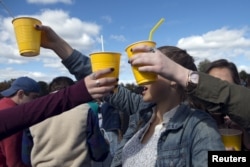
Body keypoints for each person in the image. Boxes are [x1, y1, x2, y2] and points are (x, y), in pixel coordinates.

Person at [0, 68, 117, 140]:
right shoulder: (86, 112)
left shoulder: (5, 107)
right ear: (20, 94)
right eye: (34, 97)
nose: (34, 101)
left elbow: (25, 155)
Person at [24, 76, 109, 167]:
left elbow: (25, 157)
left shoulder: (33, 112)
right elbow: (99, 153)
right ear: (74, 90)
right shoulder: (85, 111)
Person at [205, 59, 250, 150]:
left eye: (225, 88)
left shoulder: (245, 120)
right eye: (212, 87)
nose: (217, 94)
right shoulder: (193, 122)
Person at [0, 76, 40, 167]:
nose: (37, 102)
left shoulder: (2, 104)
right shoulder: (13, 116)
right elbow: (13, 162)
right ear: (20, 94)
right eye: (34, 97)